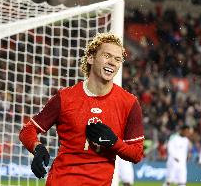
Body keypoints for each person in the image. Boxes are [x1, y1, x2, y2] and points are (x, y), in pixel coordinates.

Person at [19, 32, 145, 186]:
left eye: (117, 59)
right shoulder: (65, 97)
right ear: (91, 58)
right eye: (107, 55)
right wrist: (37, 148)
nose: (112, 62)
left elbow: (137, 154)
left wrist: (113, 142)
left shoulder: (129, 103)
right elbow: (28, 130)